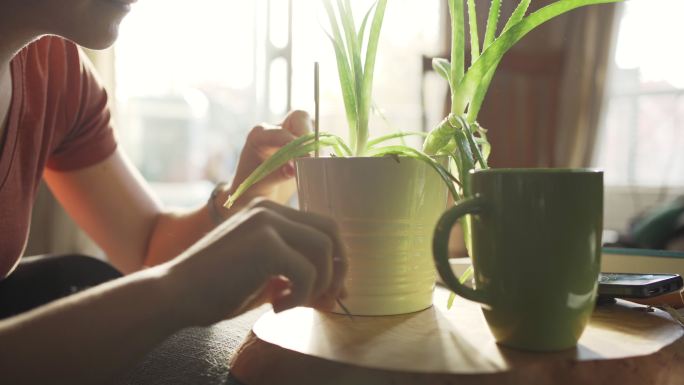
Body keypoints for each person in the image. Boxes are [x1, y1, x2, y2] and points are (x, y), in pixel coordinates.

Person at [0, 0, 347, 383]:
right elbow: (165, 276)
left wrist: (242, 196)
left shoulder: (56, 70)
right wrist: (175, 293)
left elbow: (147, 247)